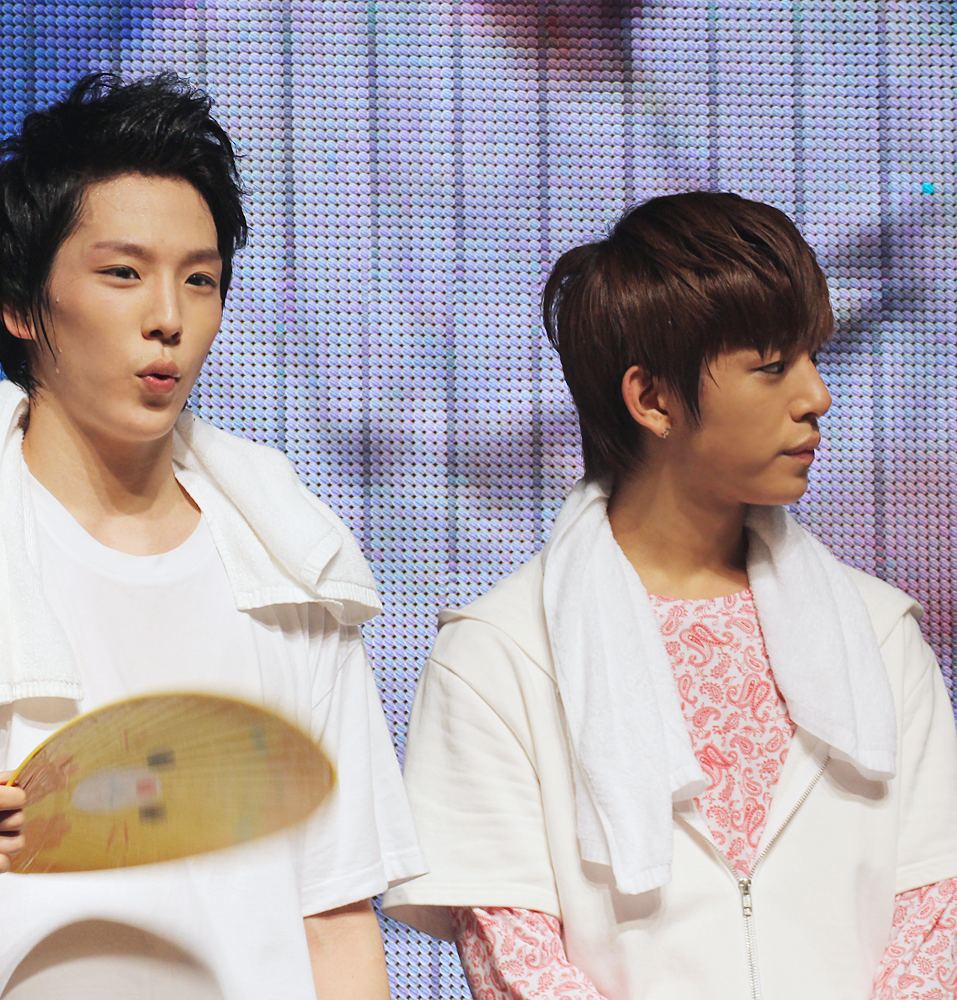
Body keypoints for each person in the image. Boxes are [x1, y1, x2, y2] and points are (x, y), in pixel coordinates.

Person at [0, 73, 424, 1000]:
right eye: (124, 274)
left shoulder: (293, 571)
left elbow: (336, 919)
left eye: (200, 280)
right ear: (21, 302)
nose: (170, 318)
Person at [383, 192, 957, 999]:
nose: (816, 396)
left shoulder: (882, 633)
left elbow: (933, 917)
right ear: (652, 399)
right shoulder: (498, 655)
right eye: (772, 365)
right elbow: (515, 956)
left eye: (815, 357)